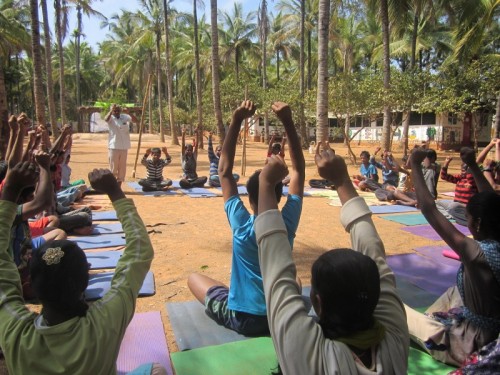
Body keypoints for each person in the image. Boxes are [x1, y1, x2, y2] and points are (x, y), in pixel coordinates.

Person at [254, 142, 409, 374]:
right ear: (377, 298)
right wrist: (342, 180)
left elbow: (276, 271)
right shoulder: (394, 339)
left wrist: (265, 183)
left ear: (318, 303)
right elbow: (375, 254)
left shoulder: (310, 355)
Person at [0, 164, 166, 375]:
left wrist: (9, 192)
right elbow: (139, 253)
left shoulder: (15, 332)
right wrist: (115, 192)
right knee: (156, 370)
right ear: (86, 283)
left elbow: (2, 267)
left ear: (30, 284)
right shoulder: (104, 321)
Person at [187, 100, 305, 336]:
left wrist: (237, 119)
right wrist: (287, 121)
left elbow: (224, 172)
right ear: (279, 198)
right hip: (281, 316)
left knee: (194, 278)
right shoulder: (287, 224)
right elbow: (299, 170)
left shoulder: (242, 224)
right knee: (296, 281)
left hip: (244, 318)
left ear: (249, 199)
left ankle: (233, 295)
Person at [405, 147, 500, 366]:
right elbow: (493, 203)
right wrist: (474, 166)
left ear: (476, 223)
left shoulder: (476, 253)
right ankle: (431, 322)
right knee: (453, 292)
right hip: (490, 322)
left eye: (466, 219)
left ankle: (431, 329)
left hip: (472, 343)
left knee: (393, 306)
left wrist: (416, 165)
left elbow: (429, 209)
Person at [436, 155, 478, 226]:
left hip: (466, 206)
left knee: (453, 206)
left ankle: (462, 219)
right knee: (436, 203)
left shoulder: (474, 180)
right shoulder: (459, 178)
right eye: (462, 170)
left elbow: (470, 177)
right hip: (455, 204)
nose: (463, 172)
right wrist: (446, 162)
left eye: (465, 170)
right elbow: (444, 176)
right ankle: (450, 215)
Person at [104, 104, 138, 186]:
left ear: (120, 111)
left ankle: (119, 186)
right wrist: (110, 111)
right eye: (114, 111)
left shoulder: (124, 117)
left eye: (118, 110)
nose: (116, 112)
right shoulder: (110, 118)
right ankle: (112, 186)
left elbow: (135, 120)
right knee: (113, 167)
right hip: (113, 146)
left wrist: (129, 113)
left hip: (124, 147)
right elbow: (105, 119)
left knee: (122, 168)